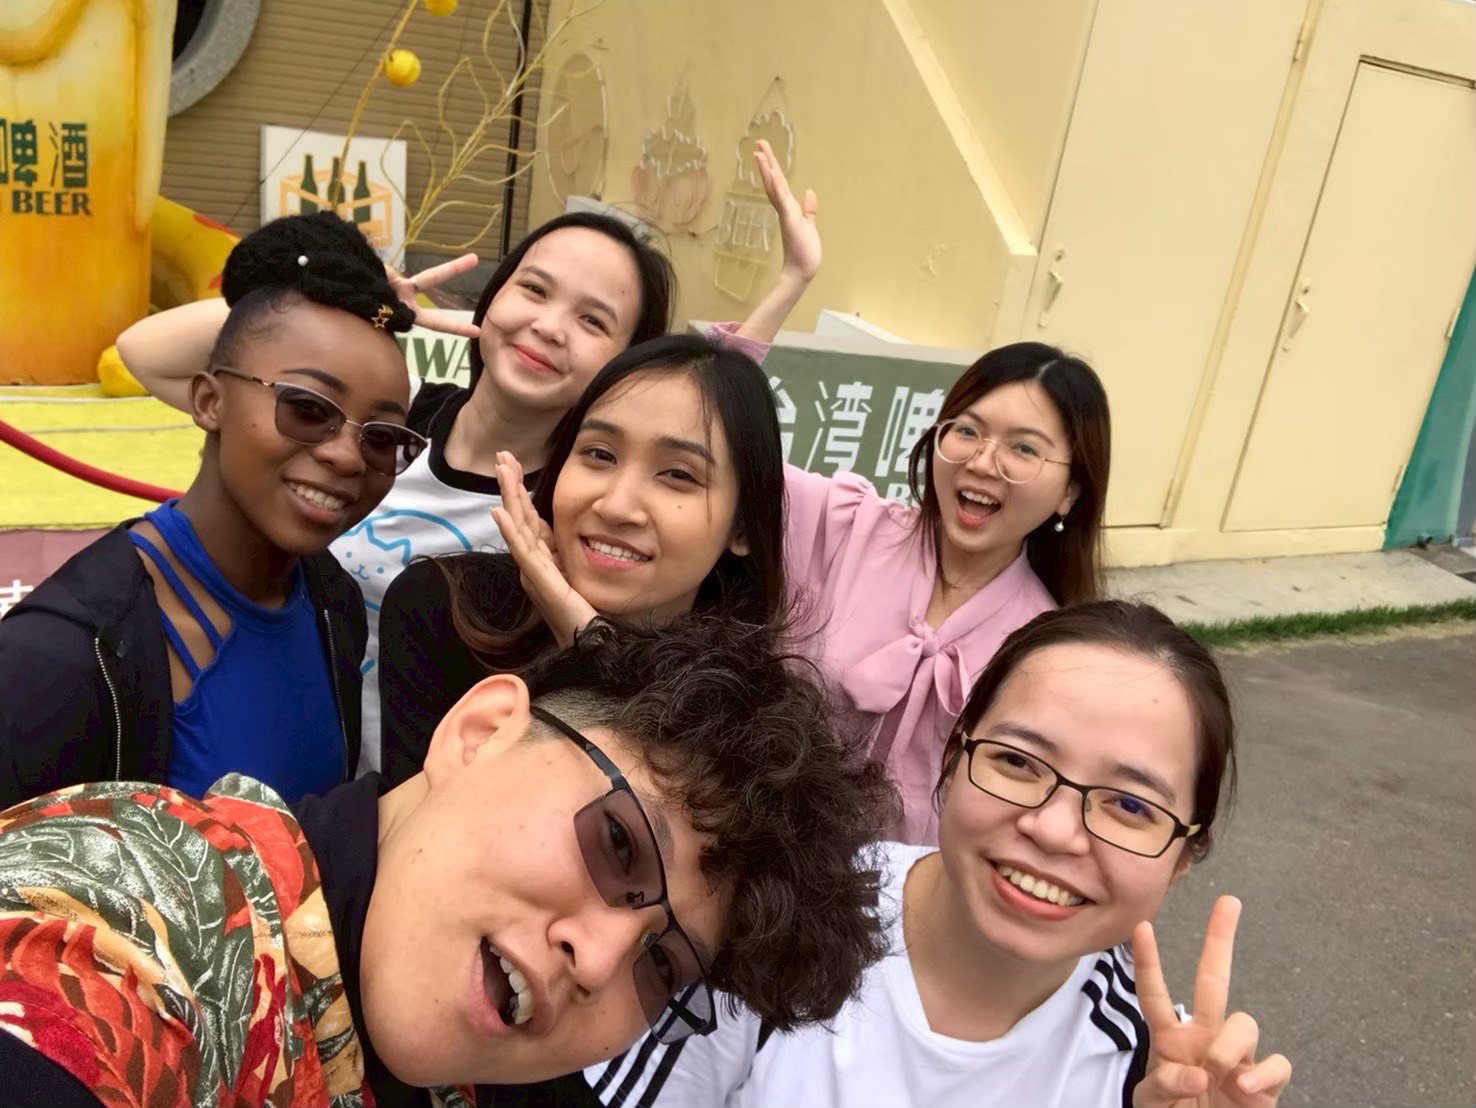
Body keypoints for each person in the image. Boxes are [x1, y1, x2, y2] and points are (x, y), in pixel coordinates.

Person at [0, 616, 897, 1108]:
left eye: (663, 967)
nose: (600, 960)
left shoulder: (452, 1047)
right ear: (479, 733)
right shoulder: (131, 926)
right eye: (619, 844)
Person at [118, 211, 819, 775]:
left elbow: (716, 446)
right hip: (271, 732)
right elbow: (149, 355)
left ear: (629, 362)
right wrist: (349, 305)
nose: (548, 326)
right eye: (534, 289)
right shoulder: (384, 422)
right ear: (495, 294)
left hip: (414, 785)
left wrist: (789, 285)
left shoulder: (581, 521)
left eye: (593, 320)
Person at [587, 601, 1293, 1108]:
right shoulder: (782, 912)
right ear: (953, 760)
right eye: (1018, 761)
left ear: (1184, 856)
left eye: (1130, 806)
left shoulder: (1155, 1069)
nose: (1053, 830)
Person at [712, 140, 1112, 843]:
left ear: (1069, 494)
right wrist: (794, 279)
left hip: (912, 898)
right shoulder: (846, 525)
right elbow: (717, 441)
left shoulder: (1051, 649)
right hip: (758, 848)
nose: (982, 461)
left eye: (1024, 448)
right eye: (967, 431)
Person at [0, 213, 424, 808]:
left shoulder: (334, 603)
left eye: (381, 438)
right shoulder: (62, 656)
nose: (347, 456)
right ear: (207, 400)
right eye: (307, 408)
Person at [376, 333, 784, 786]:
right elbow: (419, 821)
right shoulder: (444, 608)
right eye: (599, 454)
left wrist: (590, 650)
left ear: (742, 527)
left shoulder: (754, 715)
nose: (615, 506)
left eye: (677, 474)